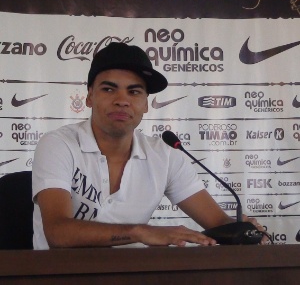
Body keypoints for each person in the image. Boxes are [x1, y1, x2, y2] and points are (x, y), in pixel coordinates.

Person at [32, 42, 266, 249]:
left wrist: (242, 229)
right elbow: (57, 233)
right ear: (90, 96)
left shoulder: (164, 156)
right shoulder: (59, 145)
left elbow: (217, 223)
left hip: (132, 275)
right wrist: (140, 232)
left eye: (134, 91)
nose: (122, 100)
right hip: (58, 274)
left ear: (146, 104)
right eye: (109, 89)